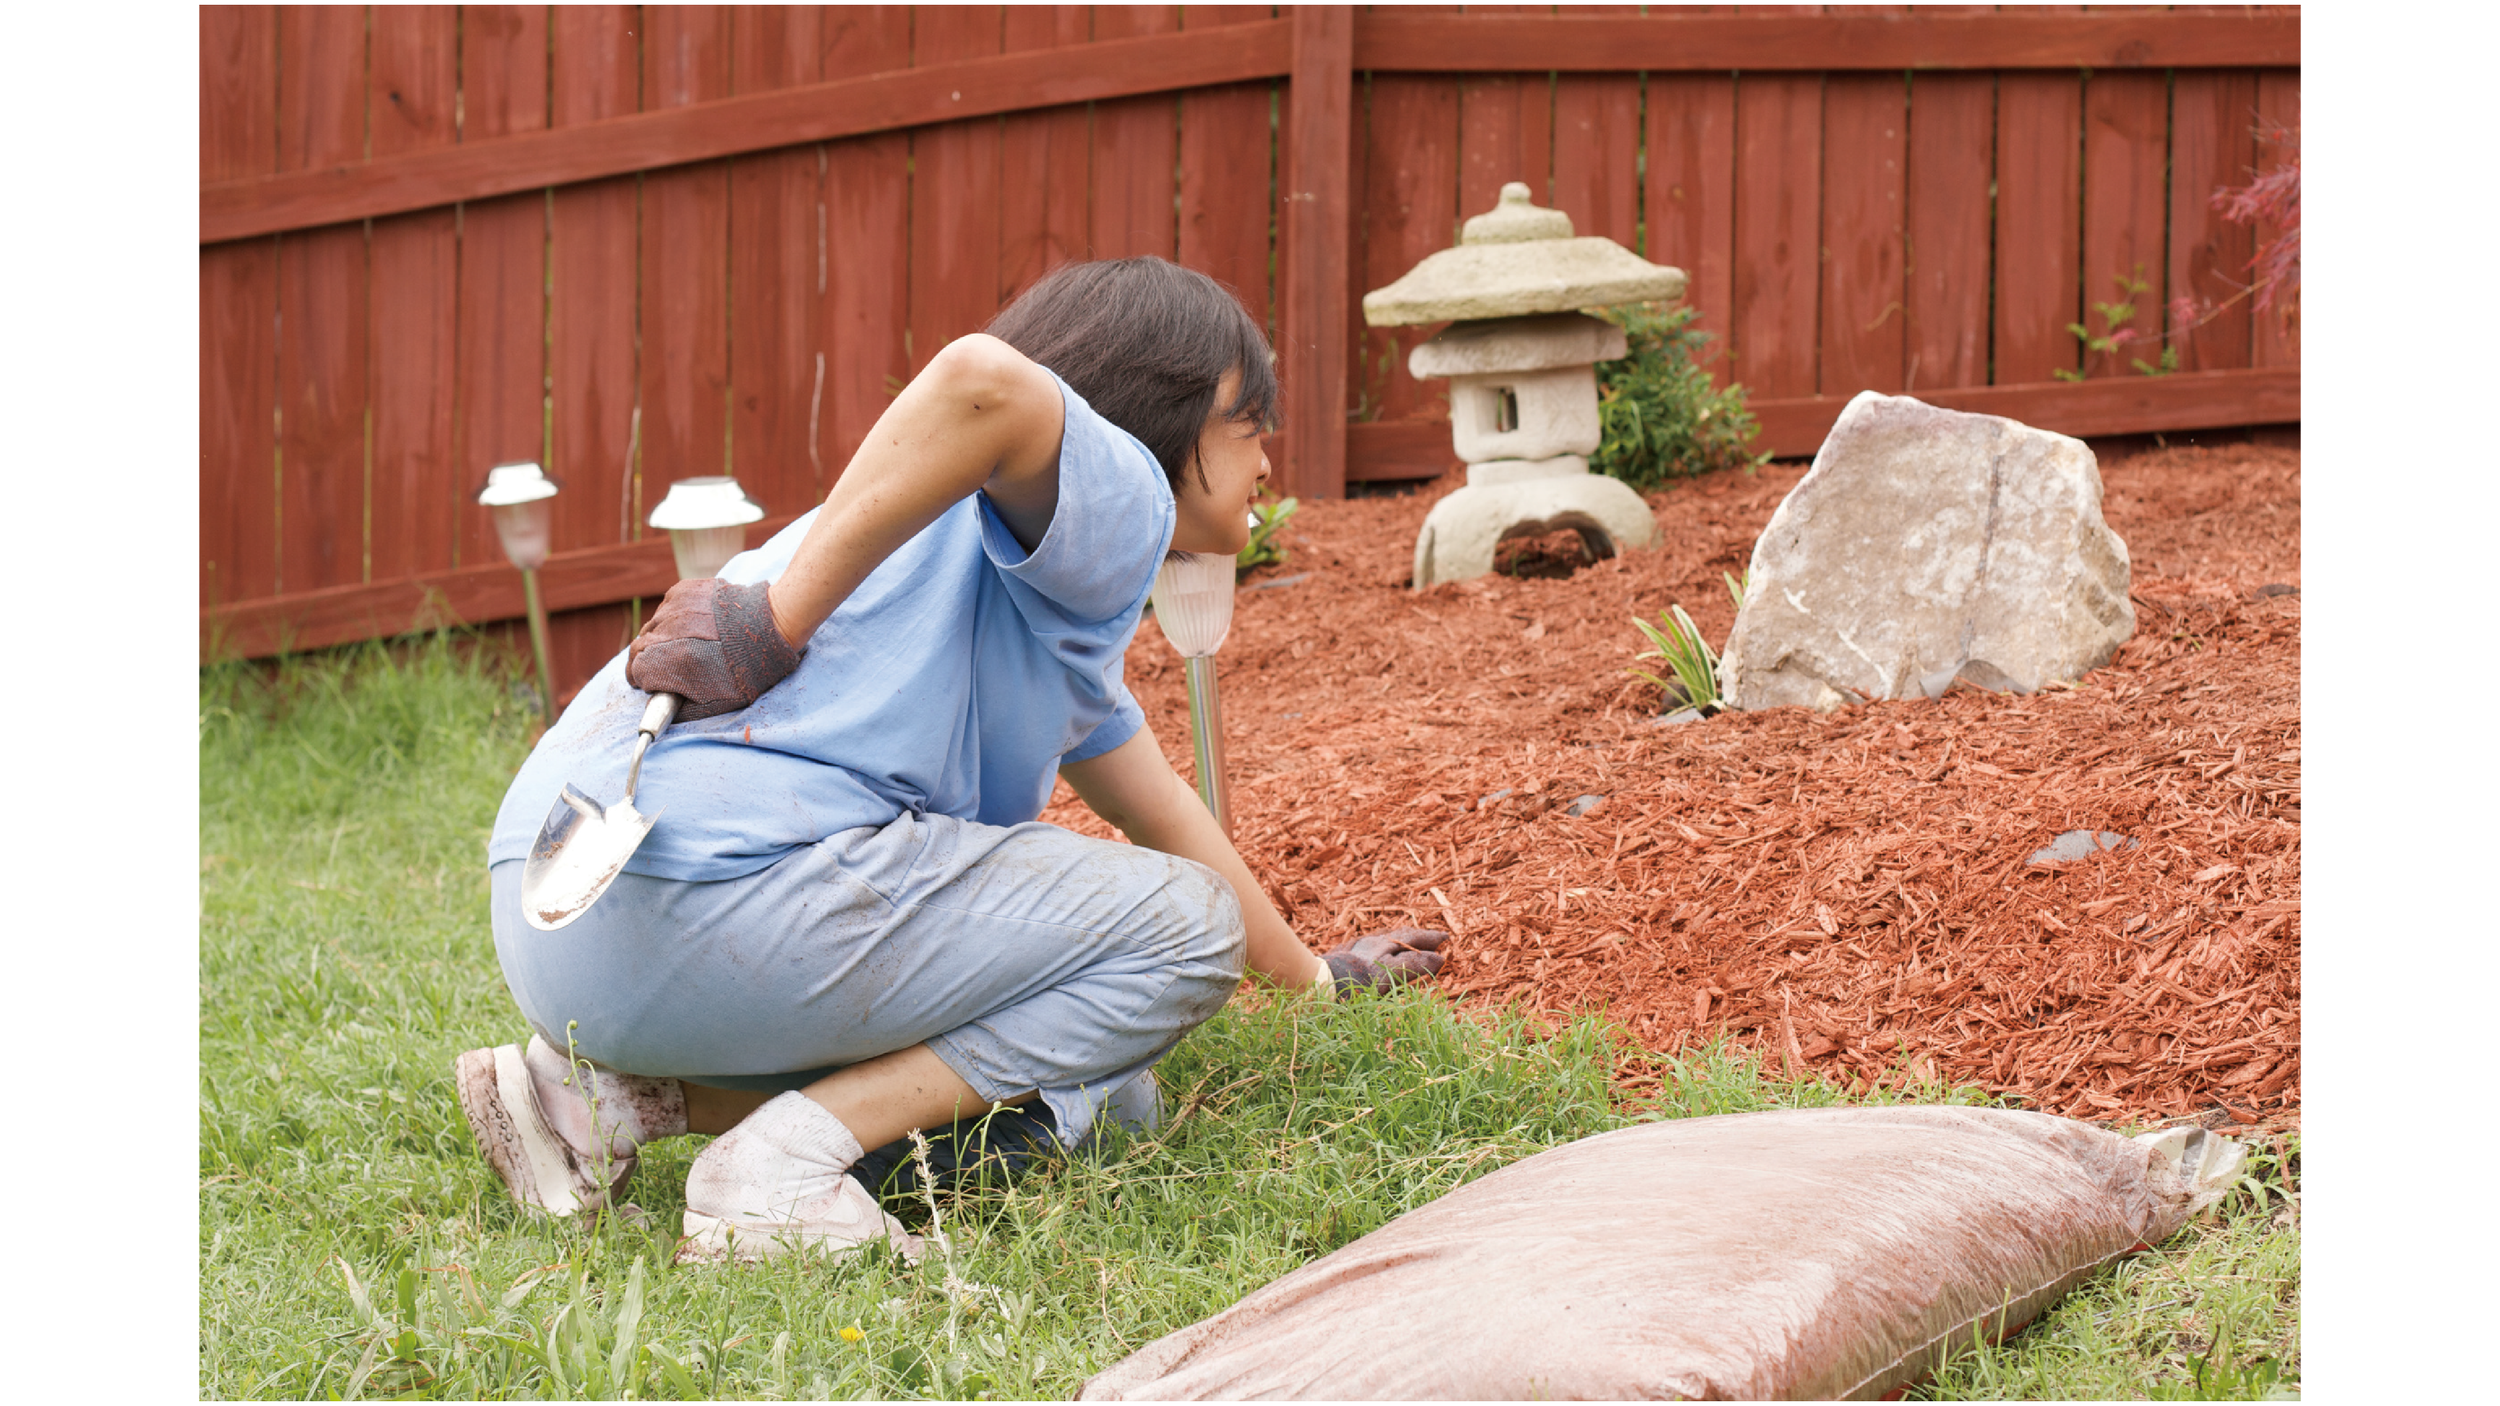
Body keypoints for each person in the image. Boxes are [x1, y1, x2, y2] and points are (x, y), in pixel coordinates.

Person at [454, 258, 1449, 1263]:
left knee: (1109, 1093)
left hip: (567, 913)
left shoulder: (983, 572)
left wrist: (1318, 978)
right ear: (1149, 419)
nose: (1267, 457)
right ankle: (778, 1172)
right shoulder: (1113, 508)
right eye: (1248, 420)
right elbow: (984, 377)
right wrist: (772, 625)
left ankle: (599, 1098)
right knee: (1183, 930)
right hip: (709, 896)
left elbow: (1165, 813)